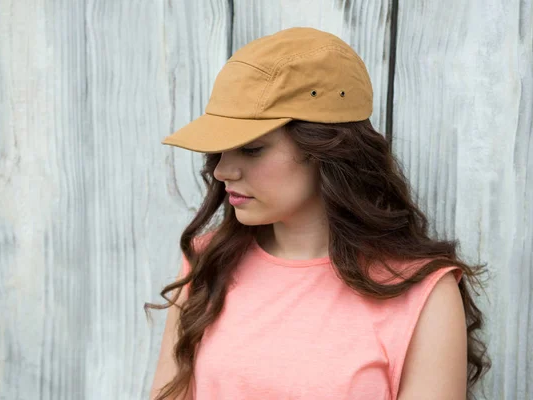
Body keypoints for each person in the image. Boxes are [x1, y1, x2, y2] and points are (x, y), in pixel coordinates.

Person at [145, 27, 490, 400]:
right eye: (221, 150)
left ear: (324, 149)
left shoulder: (422, 292)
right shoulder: (205, 263)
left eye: (252, 149)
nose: (222, 171)